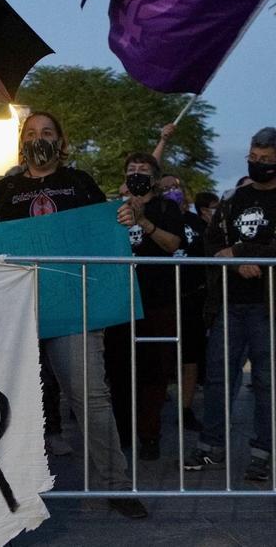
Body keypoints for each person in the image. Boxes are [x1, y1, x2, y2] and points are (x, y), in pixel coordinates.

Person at [0, 111, 146, 519]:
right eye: (31, 133)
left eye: (47, 132)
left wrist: (123, 218)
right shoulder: (6, 190)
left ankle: (116, 485)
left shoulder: (80, 183)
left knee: (89, 395)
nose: (38, 138)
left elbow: (106, 229)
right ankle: (6, 489)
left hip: (74, 306)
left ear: (61, 142)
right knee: (11, 398)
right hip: (17, 309)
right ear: (21, 142)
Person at [185, 127, 276, 482]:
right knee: (217, 377)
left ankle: (263, 451)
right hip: (229, 301)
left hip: (272, 305)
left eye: (266, 161)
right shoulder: (231, 198)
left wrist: (241, 251)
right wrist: (234, 262)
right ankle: (211, 446)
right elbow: (212, 245)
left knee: (266, 381)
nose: (258, 165)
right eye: (253, 159)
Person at [108, 153, 182, 461]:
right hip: (120, 300)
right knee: (119, 369)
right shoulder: (112, 209)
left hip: (157, 300)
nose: (136, 174)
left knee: (153, 372)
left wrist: (144, 222)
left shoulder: (167, 208)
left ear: (154, 178)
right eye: (131, 170)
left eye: (143, 170)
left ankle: (150, 434)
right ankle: (123, 433)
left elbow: (172, 244)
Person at [160, 173, 210, 432]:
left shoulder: (196, 223)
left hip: (191, 297)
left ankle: (186, 408)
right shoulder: (156, 220)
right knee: (159, 355)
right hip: (161, 297)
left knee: (190, 356)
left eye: (175, 186)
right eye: (165, 187)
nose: (171, 190)